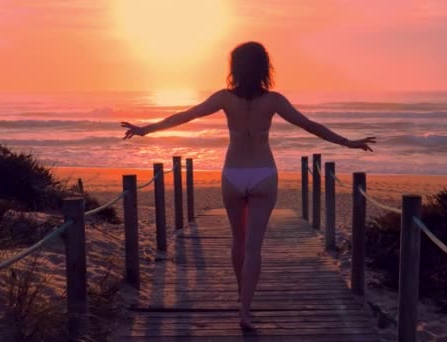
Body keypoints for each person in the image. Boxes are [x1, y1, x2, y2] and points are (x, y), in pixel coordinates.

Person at [121, 41, 375, 331]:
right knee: (254, 247)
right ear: (265, 67)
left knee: (238, 242)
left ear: (235, 68)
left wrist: (145, 130)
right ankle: (245, 309)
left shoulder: (224, 99)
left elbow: (185, 116)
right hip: (264, 173)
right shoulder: (274, 100)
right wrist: (347, 142)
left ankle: (243, 298)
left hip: (233, 174)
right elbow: (310, 125)